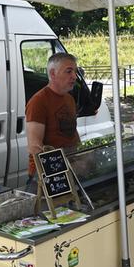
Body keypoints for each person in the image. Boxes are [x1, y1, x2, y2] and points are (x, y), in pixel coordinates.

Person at [25, 53, 80, 190]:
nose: (74, 76)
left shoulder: (69, 99)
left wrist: (81, 157)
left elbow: (73, 132)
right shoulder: (38, 101)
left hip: (69, 169)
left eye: (75, 71)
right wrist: (57, 172)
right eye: (69, 71)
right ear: (52, 73)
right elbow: (35, 147)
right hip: (45, 175)